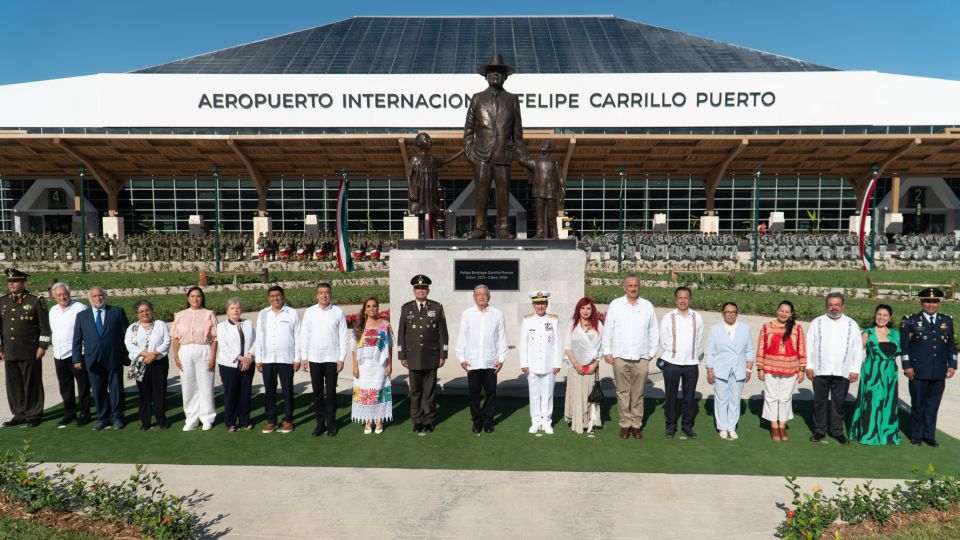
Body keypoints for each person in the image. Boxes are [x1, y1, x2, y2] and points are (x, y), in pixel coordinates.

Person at [462, 53, 527, 240]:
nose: (495, 75)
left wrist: (522, 156)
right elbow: (468, 130)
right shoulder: (477, 98)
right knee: (481, 194)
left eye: (499, 72)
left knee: (503, 195)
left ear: (505, 76)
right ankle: (480, 228)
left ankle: (502, 228)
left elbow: (518, 133)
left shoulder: (512, 99)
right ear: (486, 75)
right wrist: (469, 152)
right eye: (492, 72)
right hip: (480, 155)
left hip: (503, 155)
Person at [602, 275, 659, 440]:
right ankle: (625, 425)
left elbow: (654, 330)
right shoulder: (616, 305)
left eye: (636, 285)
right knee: (622, 392)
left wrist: (650, 353)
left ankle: (636, 424)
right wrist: (607, 351)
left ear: (639, 287)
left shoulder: (647, 306)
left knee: (638, 393)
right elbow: (608, 329)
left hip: (641, 357)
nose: (633, 288)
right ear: (624, 287)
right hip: (620, 356)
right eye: (630, 286)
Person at [900, 287, 957, 447]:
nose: (931, 305)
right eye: (927, 301)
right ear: (921, 302)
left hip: (939, 371)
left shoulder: (946, 321)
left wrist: (952, 364)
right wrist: (907, 366)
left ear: (939, 303)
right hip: (917, 371)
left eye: (934, 301)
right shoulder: (910, 320)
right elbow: (905, 347)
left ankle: (929, 435)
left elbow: (951, 346)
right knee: (918, 404)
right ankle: (917, 435)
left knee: (933, 405)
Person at [806, 292, 863, 445]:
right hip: (820, 370)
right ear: (826, 306)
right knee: (820, 402)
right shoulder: (816, 323)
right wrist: (809, 366)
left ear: (843, 306)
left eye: (837, 304)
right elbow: (809, 345)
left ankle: (836, 431)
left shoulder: (852, 324)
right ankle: (819, 430)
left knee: (838, 403)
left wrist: (855, 369)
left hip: (842, 371)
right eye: (831, 304)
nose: (834, 308)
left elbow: (857, 348)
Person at [396, 274, 448, 433]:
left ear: (428, 290)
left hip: (431, 356)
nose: (421, 291)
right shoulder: (406, 308)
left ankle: (429, 420)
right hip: (412, 356)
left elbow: (443, 333)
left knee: (430, 391)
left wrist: (443, 355)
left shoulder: (437, 307)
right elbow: (401, 333)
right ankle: (417, 420)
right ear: (414, 291)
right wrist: (402, 355)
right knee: (415, 391)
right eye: (418, 288)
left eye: (423, 288)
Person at [72, 287, 129, 430]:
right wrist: (77, 359)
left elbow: (127, 335)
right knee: (98, 390)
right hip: (93, 359)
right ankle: (103, 418)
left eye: (100, 295)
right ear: (89, 298)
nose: (98, 298)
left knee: (116, 389)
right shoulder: (82, 316)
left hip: (113, 358)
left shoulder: (117, 312)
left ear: (104, 296)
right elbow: (77, 340)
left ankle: (117, 417)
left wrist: (127, 356)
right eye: (95, 296)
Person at [0, 269, 51, 427]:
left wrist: (42, 346)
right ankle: (19, 413)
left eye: (15, 281)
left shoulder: (35, 301)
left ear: (23, 283)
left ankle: (33, 413)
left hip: (30, 351)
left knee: (31, 383)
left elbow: (45, 328)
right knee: (13, 385)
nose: (12, 284)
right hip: (10, 351)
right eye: (9, 281)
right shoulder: (2, 302)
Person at [457, 284, 508, 434]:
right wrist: (461, 358)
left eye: (484, 294)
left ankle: (488, 419)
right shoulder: (467, 314)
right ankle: (477, 420)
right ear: (474, 297)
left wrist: (501, 359)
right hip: (472, 361)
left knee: (491, 391)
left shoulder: (497, 314)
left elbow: (502, 338)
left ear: (489, 297)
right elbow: (462, 338)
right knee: (474, 392)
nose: (481, 296)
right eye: (478, 294)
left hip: (491, 361)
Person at [298, 282, 347, 436]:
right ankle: (320, 424)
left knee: (331, 393)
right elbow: (304, 335)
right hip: (314, 358)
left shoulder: (338, 312)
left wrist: (341, 358)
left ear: (330, 294)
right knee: (317, 393)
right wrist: (304, 357)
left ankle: (331, 425)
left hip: (332, 359)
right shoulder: (310, 312)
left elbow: (343, 336)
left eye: (327, 292)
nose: (324, 295)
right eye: (321, 292)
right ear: (317, 295)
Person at [849, 304, 901, 445]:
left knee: (888, 403)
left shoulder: (896, 334)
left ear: (889, 318)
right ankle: (869, 435)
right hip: (872, 373)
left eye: (885, 315)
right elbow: (855, 351)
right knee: (872, 403)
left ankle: (887, 435)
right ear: (875, 316)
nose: (881, 317)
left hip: (890, 374)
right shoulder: (868, 333)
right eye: (879, 314)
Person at [756, 300, 806, 441]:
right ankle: (774, 426)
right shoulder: (767, 327)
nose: (783, 313)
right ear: (777, 311)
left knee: (785, 398)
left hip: (791, 368)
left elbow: (802, 348)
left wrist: (802, 369)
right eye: (781, 310)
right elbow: (761, 347)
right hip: (770, 367)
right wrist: (760, 367)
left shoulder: (797, 328)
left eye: (787, 311)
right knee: (771, 397)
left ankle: (782, 426)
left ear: (791, 314)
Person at [170, 286, 218, 431]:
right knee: (188, 386)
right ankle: (191, 419)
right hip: (185, 351)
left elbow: (215, 338)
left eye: (198, 296)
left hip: (204, 350)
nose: (195, 299)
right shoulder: (180, 315)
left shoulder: (209, 314)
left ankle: (207, 418)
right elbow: (175, 337)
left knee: (205, 386)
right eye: (192, 296)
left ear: (202, 298)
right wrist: (176, 356)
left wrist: (212, 357)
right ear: (188, 298)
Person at [658, 286, 704, 439]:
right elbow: (663, 340)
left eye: (686, 297)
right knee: (670, 397)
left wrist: (693, 356)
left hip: (691, 363)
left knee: (689, 397)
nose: (683, 300)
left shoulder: (696, 317)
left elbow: (698, 340)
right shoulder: (668, 317)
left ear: (690, 299)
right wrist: (672, 354)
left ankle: (687, 426)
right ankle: (670, 426)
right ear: (675, 299)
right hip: (672, 363)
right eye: (680, 297)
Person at [704, 302, 754, 440]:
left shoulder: (745, 328)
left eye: (733, 312)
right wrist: (710, 370)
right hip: (721, 369)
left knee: (735, 399)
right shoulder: (715, 329)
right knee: (721, 399)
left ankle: (732, 427)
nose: (730, 315)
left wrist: (749, 369)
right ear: (722, 314)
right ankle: (722, 427)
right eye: (727, 312)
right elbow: (710, 351)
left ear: (737, 314)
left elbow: (750, 350)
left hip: (739, 369)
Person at [258, 285, 301, 434]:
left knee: (287, 390)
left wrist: (297, 358)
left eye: (278, 295)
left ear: (283, 296)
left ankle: (288, 420)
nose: (275, 298)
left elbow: (298, 336)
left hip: (286, 359)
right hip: (268, 359)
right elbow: (259, 337)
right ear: (268, 298)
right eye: (272, 296)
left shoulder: (292, 313)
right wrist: (259, 358)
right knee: (269, 390)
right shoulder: (263, 314)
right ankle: (271, 420)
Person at [519, 291, 563, 435]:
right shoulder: (527, 321)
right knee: (534, 394)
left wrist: (557, 363)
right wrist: (524, 363)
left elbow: (557, 343)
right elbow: (523, 344)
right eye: (537, 303)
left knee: (548, 394)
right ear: (533, 305)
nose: (540, 306)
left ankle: (546, 421)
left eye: (543, 303)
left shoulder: (553, 320)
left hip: (548, 365)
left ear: (547, 304)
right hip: (532, 365)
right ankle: (536, 421)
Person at [124, 300, 171, 430]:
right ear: (137, 314)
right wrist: (145, 355)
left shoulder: (160, 324)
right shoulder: (131, 328)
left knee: (159, 392)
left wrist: (154, 355)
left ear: (152, 311)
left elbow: (167, 341)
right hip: (141, 363)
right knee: (144, 394)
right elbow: (129, 345)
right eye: (141, 311)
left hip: (159, 363)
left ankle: (161, 420)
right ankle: (145, 422)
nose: (145, 313)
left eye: (147, 310)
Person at [48, 281, 91, 427]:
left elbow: (87, 332)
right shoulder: (53, 310)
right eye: (59, 295)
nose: (62, 297)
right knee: (65, 386)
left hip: (77, 354)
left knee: (83, 385)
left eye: (64, 294)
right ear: (54, 296)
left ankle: (85, 413)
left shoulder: (80, 308)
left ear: (69, 293)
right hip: (59, 354)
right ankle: (69, 412)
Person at [350, 297, 393, 434]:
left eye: (374, 306)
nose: (371, 308)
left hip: (379, 364)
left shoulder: (385, 325)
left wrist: (389, 365)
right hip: (364, 365)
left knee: (379, 391)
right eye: (368, 306)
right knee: (366, 391)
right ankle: (368, 420)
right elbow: (354, 348)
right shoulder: (359, 325)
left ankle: (379, 420)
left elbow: (389, 347)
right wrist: (355, 366)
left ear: (378, 308)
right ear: (365, 308)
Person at [563, 296, 603, 436]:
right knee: (577, 395)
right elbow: (567, 347)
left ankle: (591, 425)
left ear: (592, 310)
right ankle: (578, 423)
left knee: (590, 397)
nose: (586, 311)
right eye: (583, 308)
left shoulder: (598, 325)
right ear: (578, 309)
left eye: (588, 308)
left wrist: (595, 364)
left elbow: (601, 348)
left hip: (592, 367)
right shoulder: (572, 325)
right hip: (576, 367)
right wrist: (575, 364)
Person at [216, 297, 256, 432]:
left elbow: (256, 341)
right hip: (229, 365)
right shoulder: (222, 327)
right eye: (232, 308)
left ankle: (245, 420)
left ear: (241, 310)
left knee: (245, 393)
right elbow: (224, 346)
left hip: (248, 364)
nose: (235, 310)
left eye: (238, 308)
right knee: (231, 394)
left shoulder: (248, 323)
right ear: (227, 311)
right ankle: (230, 422)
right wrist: (240, 358)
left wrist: (249, 357)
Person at [517, 139, 563, 239]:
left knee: (552, 216)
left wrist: (562, 192)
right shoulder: (536, 161)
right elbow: (522, 160)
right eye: (542, 145)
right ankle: (540, 233)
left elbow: (560, 178)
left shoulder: (556, 162)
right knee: (539, 216)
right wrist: (518, 147)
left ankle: (555, 234)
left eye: (545, 145)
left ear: (550, 148)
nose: (542, 146)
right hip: (539, 192)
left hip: (551, 192)